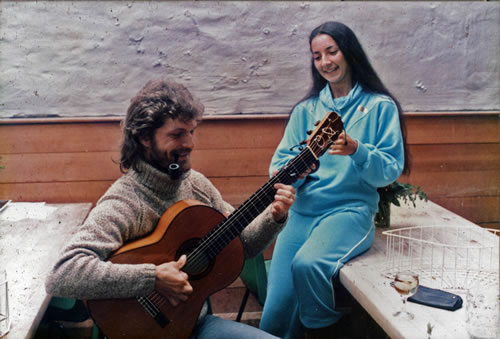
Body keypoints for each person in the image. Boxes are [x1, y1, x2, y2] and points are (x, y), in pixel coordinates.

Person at [45, 78, 297, 338]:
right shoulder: (125, 201)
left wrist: (274, 217)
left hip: (195, 326)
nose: (189, 143)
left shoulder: (196, 184)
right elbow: (63, 273)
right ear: (144, 137)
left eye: (192, 131)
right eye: (177, 134)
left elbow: (243, 244)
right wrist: (152, 277)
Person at [259, 21, 410, 339]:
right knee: (274, 315)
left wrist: (357, 149)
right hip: (302, 214)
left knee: (308, 265)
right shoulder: (306, 110)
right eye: (317, 56)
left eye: (332, 51)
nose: (325, 62)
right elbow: (279, 167)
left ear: (349, 52)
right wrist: (292, 175)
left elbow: (390, 169)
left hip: (349, 212)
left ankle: (325, 333)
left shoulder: (379, 107)